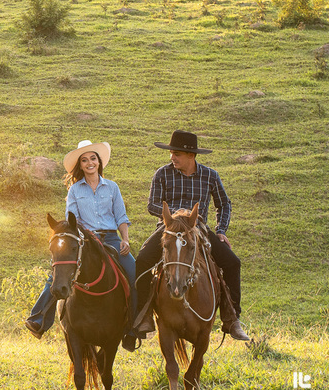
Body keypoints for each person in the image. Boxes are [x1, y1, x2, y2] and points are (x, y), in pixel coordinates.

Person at [129, 130, 250, 342]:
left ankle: (232, 319)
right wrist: (176, 216)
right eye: (171, 153)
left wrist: (221, 230)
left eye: (176, 154)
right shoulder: (162, 174)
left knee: (232, 263)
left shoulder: (210, 176)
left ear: (191, 156)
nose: (172, 157)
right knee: (143, 260)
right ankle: (144, 315)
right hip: (168, 228)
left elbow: (224, 204)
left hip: (198, 229)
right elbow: (152, 205)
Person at [25, 140, 136, 339]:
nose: (89, 163)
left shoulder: (112, 187)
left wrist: (125, 240)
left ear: (99, 161)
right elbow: (72, 219)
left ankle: (135, 325)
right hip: (87, 239)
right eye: (84, 160)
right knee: (59, 269)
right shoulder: (75, 190)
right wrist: (81, 236)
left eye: (93, 158)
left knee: (134, 272)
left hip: (111, 237)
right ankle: (39, 318)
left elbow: (121, 217)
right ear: (81, 165)